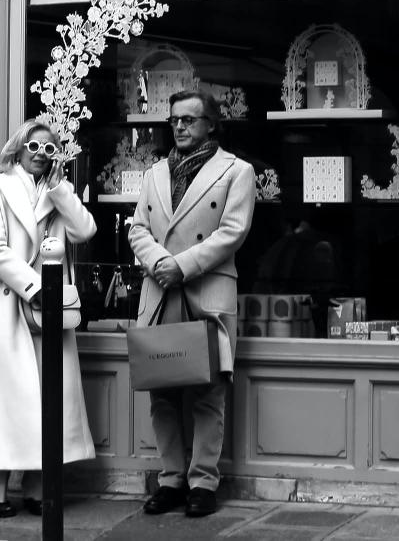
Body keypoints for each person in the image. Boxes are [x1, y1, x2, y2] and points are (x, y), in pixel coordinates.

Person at [129, 90, 255, 517]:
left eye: (189, 119)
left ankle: (203, 483)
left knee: (207, 394)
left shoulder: (237, 171)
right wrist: (161, 261)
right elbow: (137, 228)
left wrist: (182, 265)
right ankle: (170, 481)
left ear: (210, 124)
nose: (180, 126)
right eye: (175, 120)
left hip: (203, 288)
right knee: (162, 392)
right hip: (160, 289)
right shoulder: (153, 173)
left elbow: (232, 232)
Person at [0, 119, 97, 518]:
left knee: (50, 397)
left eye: (50, 148)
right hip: (12, 304)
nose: (41, 154)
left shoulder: (59, 192)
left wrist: (61, 190)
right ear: (18, 149)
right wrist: (34, 285)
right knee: (8, 400)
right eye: (34, 146)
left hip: (51, 310)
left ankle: (42, 486)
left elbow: (85, 230)